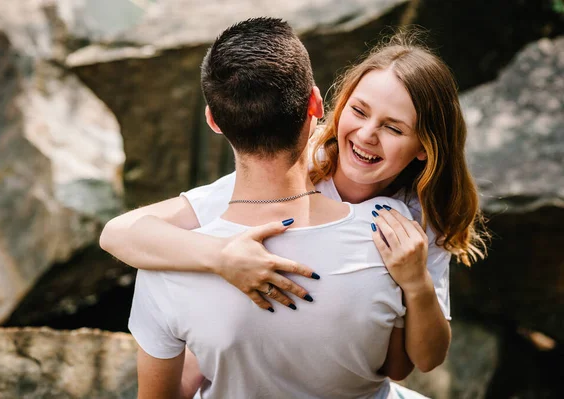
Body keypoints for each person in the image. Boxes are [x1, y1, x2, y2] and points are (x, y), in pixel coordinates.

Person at [101, 22, 487, 382]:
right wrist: (222, 256)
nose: (367, 134)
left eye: (393, 127)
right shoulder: (297, 163)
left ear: (425, 146)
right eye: (358, 111)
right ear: (327, 106)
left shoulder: (418, 216)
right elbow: (118, 233)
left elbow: (421, 361)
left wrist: (416, 284)